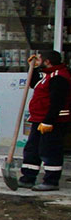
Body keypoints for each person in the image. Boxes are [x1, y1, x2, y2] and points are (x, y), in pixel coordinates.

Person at [19, 49, 70, 191]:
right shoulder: (47, 75)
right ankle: (28, 178)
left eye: (40, 60)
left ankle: (51, 181)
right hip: (39, 119)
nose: (38, 61)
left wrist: (48, 121)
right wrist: (33, 68)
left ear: (47, 61)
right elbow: (33, 84)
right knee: (32, 150)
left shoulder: (59, 77)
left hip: (53, 121)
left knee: (49, 150)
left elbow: (57, 102)